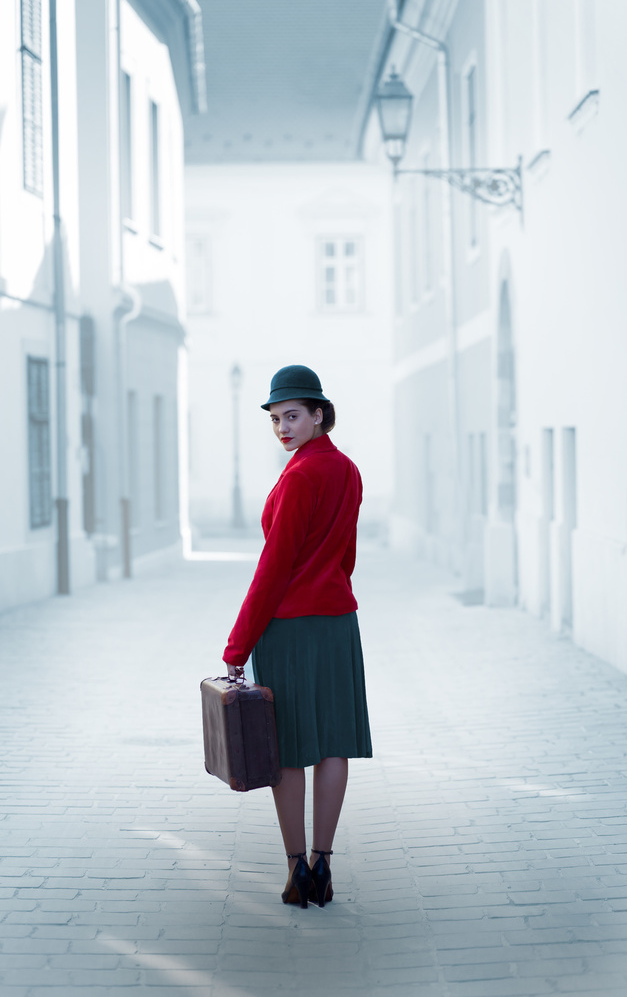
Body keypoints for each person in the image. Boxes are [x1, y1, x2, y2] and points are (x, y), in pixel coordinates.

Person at [223, 364, 372, 908]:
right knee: (333, 744)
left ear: (318, 416)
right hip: (336, 625)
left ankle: (296, 872)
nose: (283, 427)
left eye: (293, 416)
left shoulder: (297, 477)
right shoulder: (348, 471)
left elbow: (273, 569)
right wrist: (328, 585)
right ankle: (324, 866)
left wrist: (237, 648)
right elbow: (346, 556)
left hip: (287, 629)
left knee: (287, 750)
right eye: (276, 419)